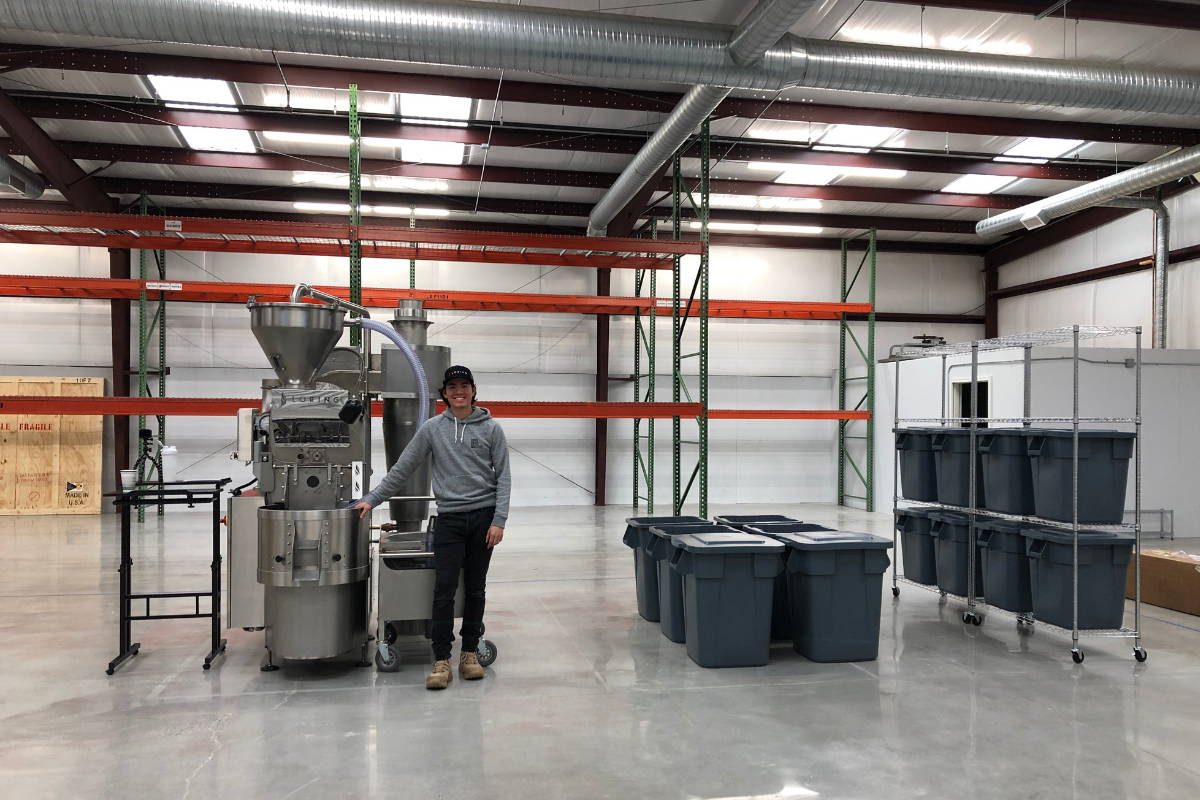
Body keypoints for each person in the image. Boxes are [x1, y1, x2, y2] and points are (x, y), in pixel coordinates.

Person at [354, 365, 510, 690]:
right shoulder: (432, 429)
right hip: (450, 520)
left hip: (483, 519)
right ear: (444, 395)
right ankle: (441, 659)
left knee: (476, 589)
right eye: (452, 387)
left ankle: (469, 654)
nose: (459, 392)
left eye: (464, 386)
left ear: (473, 390)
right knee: (444, 590)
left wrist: (499, 520)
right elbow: (403, 467)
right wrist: (373, 498)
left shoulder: (492, 429)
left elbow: (503, 478)